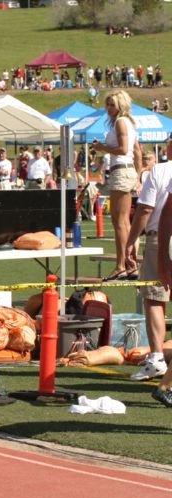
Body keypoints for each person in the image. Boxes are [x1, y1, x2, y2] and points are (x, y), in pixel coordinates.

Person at [125, 137, 171, 383]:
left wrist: (131, 240)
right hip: (161, 236)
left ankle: (156, 358)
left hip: (161, 238)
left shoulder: (160, 170)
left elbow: (145, 209)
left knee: (154, 299)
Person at [92, 90, 142, 282]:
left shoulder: (121, 122)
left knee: (119, 222)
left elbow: (122, 149)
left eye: (111, 104)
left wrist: (101, 147)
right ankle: (129, 264)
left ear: (120, 104)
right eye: (107, 104)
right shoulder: (129, 123)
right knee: (124, 222)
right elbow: (137, 151)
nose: (108, 108)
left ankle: (122, 265)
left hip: (121, 170)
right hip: (126, 170)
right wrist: (137, 177)